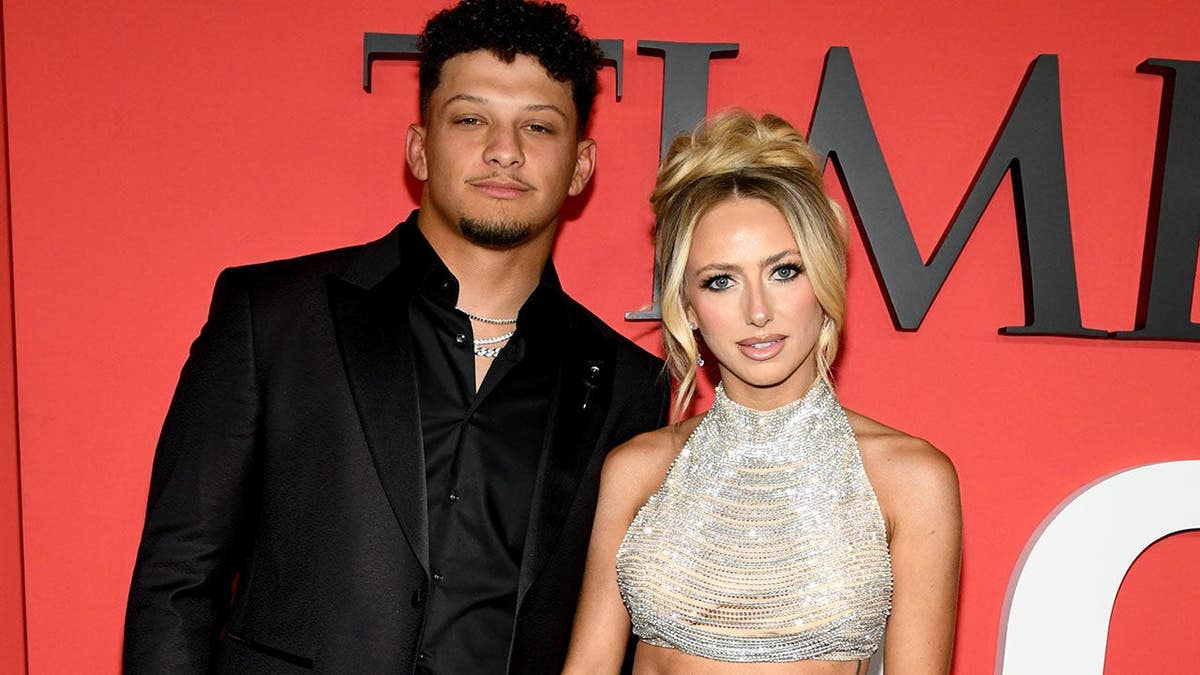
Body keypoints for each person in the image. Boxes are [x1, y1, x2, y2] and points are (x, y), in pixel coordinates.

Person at [123, 1, 668, 672]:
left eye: (538, 126)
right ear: (419, 148)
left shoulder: (627, 386)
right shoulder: (274, 317)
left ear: (582, 165)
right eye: (471, 119)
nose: (506, 149)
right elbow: (177, 582)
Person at [564, 111, 961, 674]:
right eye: (720, 281)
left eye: (784, 271)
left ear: (824, 279)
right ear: (689, 306)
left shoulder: (911, 478)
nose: (756, 311)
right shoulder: (638, 470)